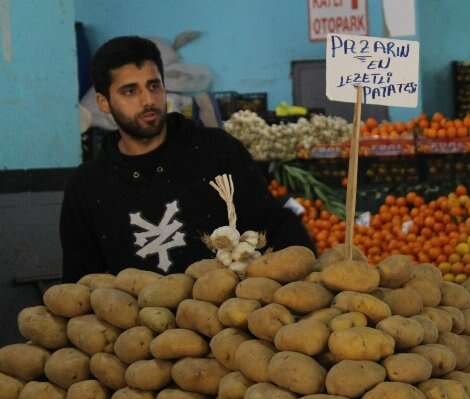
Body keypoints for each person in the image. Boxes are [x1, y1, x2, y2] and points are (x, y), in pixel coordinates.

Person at [60, 36, 314, 282]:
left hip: (227, 316)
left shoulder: (217, 152)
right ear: (104, 102)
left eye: (153, 85)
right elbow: (81, 282)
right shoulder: (87, 187)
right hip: (133, 322)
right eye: (130, 91)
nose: (148, 100)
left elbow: (271, 224)